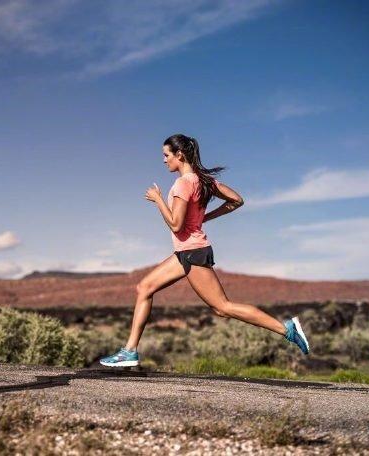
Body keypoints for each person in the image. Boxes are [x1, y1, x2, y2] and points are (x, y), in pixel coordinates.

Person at [99, 134, 310, 367]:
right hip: (186, 252)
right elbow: (236, 200)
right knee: (144, 287)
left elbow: (176, 224)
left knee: (222, 307)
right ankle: (130, 351)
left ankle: (287, 329)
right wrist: (206, 217)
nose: (164, 160)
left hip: (193, 252)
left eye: (166, 155)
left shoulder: (182, 183)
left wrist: (158, 199)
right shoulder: (203, 181)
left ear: (179, 155)